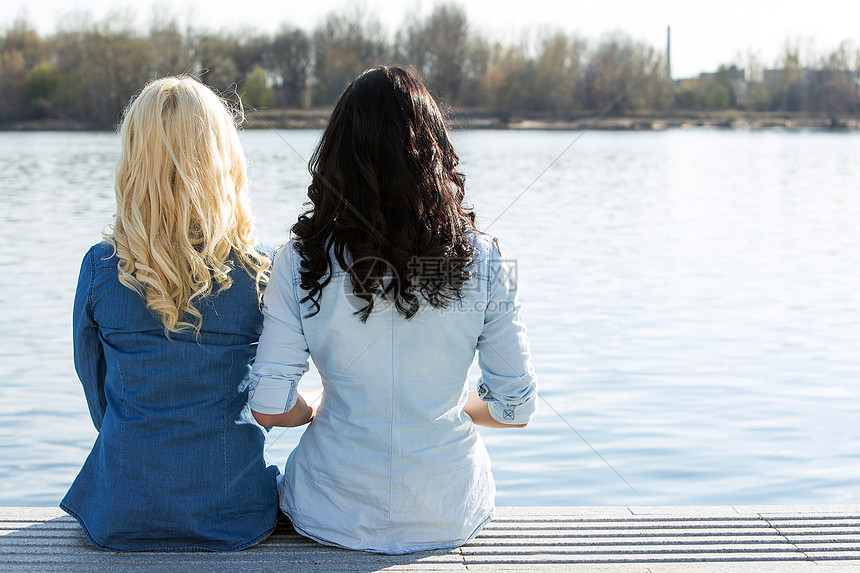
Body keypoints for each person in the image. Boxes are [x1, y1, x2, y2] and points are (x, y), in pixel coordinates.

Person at [248, 66, 537, 555]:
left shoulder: (298, 261)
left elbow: (269, 408)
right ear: (435, 153)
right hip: (450, 510)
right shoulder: (484, 259)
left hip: (330, 510)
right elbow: (516, 410)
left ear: (336, 156)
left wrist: (317, 408)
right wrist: (448, 404)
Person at [61, 76, 280, 552]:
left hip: (120, 507)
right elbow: (271, 392)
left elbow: (96, 392)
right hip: (233, 511)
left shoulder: (101, 267)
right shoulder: (262, 268)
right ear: (224, 160)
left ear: (134, 161)